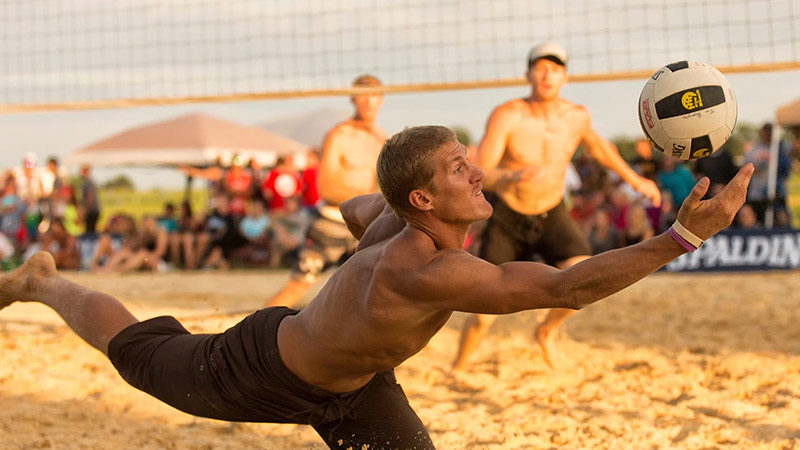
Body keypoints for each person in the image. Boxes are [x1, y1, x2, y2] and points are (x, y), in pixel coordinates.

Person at [0, 126, 753, 449]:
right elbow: (570, 288)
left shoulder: (394, 216)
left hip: (355, 384)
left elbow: (352, 202)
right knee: (137, 348)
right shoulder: (429, 268)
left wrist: (381, 203)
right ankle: (43, 283)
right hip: (256, 369)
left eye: (465, 158)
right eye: (458, 170)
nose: (476, 171)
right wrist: (683, 236)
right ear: (424, 202)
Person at [452, 42, 663, 370]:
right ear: (528, 74)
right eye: (540, 66)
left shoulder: (575, 116)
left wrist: (637, 182)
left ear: (565, 76)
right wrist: (513, 175)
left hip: (551, 211)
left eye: (555, 67)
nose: (547, 73)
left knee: (584, 276)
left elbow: (601, 148)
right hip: (510, 213)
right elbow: (483, 174)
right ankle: (459, 367)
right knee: (483, 313)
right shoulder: (508, 114)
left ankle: (545, 331)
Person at [263, 74, 388, 308]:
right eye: (363, 97)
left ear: (381, 100)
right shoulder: (339, 135)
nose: (369, 102)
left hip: (363, 226)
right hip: (331, 222)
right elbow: (326, 187)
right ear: (353, 100)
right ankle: (252, 333)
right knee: (299, 284)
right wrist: (369, 202)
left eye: (374, 96)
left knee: (371, 289)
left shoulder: (381, 139)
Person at [79, 164, 101, 236]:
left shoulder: (88, 183)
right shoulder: (89, 182)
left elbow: (90, 197)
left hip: (92, 211)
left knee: (90, 231)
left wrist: (86, 211)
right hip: (93, 210)